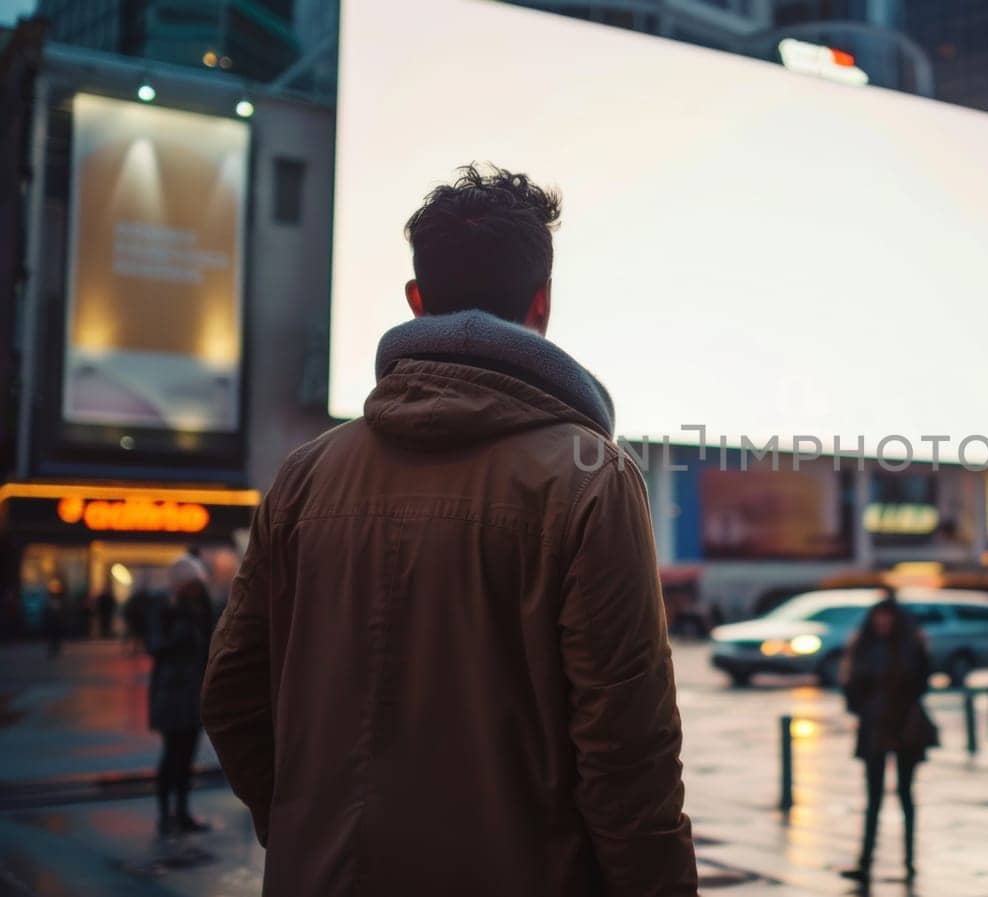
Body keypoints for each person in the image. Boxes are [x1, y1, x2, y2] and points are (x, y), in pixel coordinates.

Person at [202, 164, 696, 896]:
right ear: (542, 304)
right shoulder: (591, 479)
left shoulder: (305, 478)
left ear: (417, 301)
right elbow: (629, 759)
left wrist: (310, 827)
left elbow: (232, 696)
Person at [840, 597, 939, 887]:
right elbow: (851, 685)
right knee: (873, 798)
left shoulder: (911, 645)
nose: (883, 623)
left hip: (906, 727)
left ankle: (909, 862)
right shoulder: (864, 646)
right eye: (879, 617)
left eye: (888, 617)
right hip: (874, 727)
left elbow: (922, 681)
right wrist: (863, 707)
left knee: (906, 795)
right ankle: (865, 861)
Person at [149, 578, 214, 835]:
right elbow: (157, 647)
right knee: (172, 755)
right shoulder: (168, 613)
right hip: (173, 694)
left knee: (185, 757)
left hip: (190, 695)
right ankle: (167, 814)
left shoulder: (202, 616)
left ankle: (181, 811)